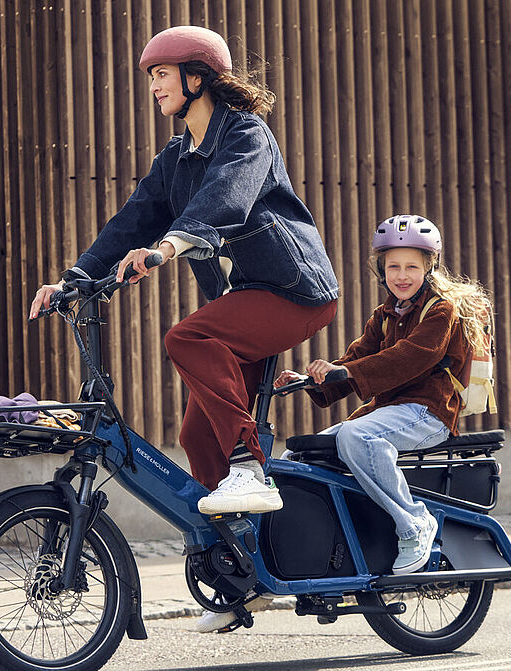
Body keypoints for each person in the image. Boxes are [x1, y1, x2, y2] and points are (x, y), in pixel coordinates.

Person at [28, 25, 340, 516]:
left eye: (161, 74)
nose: (154, 86)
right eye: (152, 77)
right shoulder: (175, 158)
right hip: (249, 295)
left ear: (197, 77)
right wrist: (72, 280)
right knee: (196, 433)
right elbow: (132, 221)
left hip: (297, 289)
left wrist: (168, 248)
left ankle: (249, 469)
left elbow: (227, 195)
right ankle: (241, 558)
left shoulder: (246, 133)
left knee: (187, 339)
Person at [276, 214, 493, 575]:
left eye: (411, 266)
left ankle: (414, 523)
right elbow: (358, 358)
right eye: (393, 266)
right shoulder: (384, 315)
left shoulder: (441, 310)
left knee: (357, 435)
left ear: (429, 267)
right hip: (388, 412)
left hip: (429, 413)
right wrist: (312, 378)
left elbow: (411, 357)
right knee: (298, 457)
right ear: (381, 268)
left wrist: (348, 372)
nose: (402, 275)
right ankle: (309, 557)